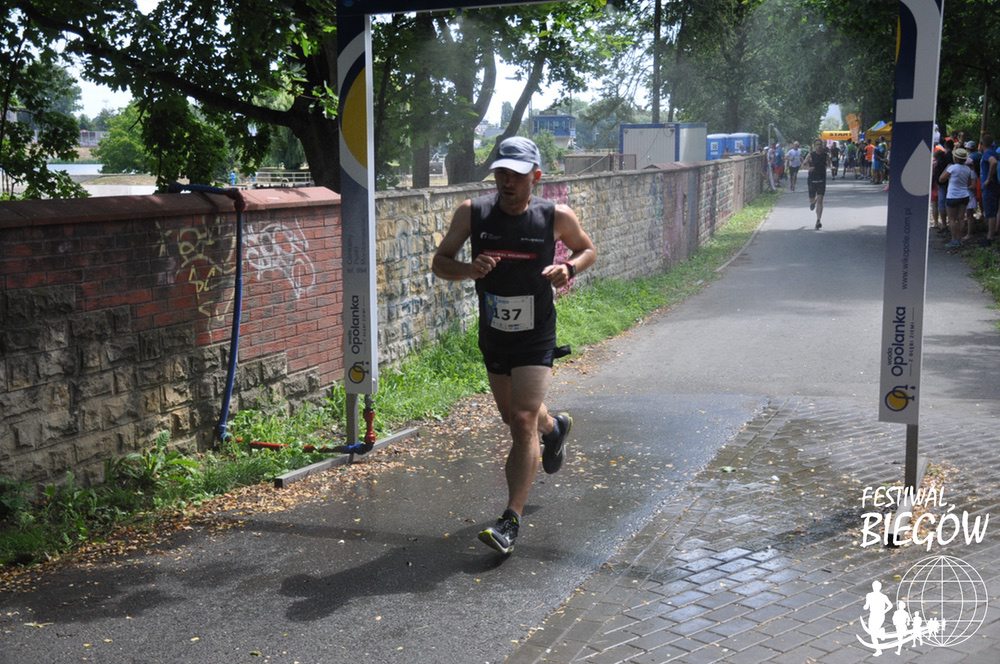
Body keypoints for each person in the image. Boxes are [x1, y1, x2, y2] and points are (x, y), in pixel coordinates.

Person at [432, 136, 597, 555]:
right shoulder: (472, 213)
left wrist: (568, 268)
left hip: (536, 332)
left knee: (522, 420)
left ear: (535, 176)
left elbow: (587, 250)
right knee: (513, 416)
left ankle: (510, 520)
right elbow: (440, 262)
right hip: (495, 332)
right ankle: (554, 428)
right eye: (501, 173)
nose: (507, 181)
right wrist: (469, 269)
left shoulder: (554, 216)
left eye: (517, 175)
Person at [939, 145, 977, 248]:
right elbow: (968, 183)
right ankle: (960, 239)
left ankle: (954, 240)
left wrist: (946, 168)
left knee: (952, 219)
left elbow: (941, 179)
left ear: (955, 158)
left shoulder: (952, 168)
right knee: (961, 218)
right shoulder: (968, 169)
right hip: (964, 195)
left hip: (952, 196)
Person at [801, 139, 828, 229]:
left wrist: (832, 167)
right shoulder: (810, 155)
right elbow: (803, 165)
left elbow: (829, 164)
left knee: (820, 200)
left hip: (821, 179)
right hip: (812, 180)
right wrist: (809, 168)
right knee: (812, 200)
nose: (819, 146)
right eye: (817, 144)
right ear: (814, 146)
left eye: (820, 144)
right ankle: (813, 202)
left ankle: (818, 220)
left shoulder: (825, 155)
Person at [980, 133, 999, 245]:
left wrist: (988, 179)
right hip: (994, 186)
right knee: (993, 211)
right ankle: (991, 234)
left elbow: (994, 162)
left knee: (990, 212)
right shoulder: (995, 152)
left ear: (982, 144)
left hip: (989, 187)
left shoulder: (988, 153)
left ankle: (989, 237)